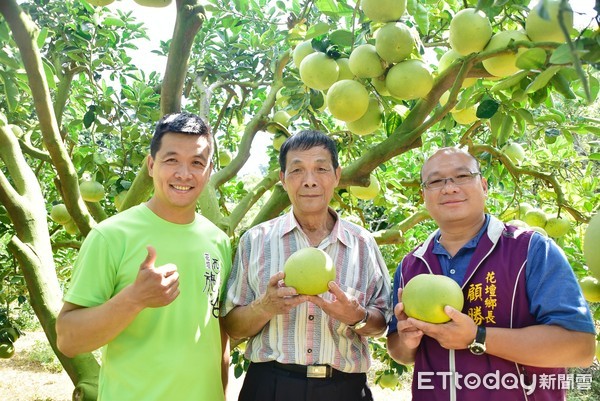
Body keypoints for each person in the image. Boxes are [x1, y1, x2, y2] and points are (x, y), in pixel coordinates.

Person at [386, 147, 596, 401]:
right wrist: (409, 341)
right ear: (424, 195)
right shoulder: (411, 265)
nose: (449, 188)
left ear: (484, 186)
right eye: (436, 181)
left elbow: (580, 348)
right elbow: (400, 351)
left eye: (462, 176)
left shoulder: (532, 250)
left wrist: (478, 336)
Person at [56, 112, 232, 401]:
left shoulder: (218, 241)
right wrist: (134, 299)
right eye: (171, 160)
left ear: (209, 171)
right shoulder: (111, 236)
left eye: (196, 163)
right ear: (151, 165)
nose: (184, 174)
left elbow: (217, 331)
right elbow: (68, 340)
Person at [221, 129, 392, 401]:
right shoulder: (255, 240)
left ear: (337, 176)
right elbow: (232, 326)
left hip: (345, 389)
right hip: (270, 387)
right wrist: (264, 306)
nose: (309, 181)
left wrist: (356, 316)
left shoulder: (362, 243)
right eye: (297, 170)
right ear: (283, 179)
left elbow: (383, 323)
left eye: (321, 169)